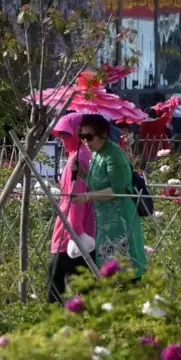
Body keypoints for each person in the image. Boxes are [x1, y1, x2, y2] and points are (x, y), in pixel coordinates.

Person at [72, 114, 147, 278]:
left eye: (89, 136)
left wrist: (86, 197)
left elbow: (117, 190)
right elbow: (97, 184)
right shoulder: (98, 154)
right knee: (109, 270)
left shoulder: (114, 155)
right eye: (82, 136)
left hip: (121, 220)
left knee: (125, 269)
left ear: (103, 134)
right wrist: (81, 174)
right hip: (105, 222)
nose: (85, 141)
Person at [48, 113, 96, 303]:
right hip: (83, 227)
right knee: (86, 279)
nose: (62, 139)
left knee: (56, 276)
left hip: (71, 230)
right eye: (61, 135)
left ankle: (52, 323)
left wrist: (75, 230)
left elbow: (75, 197)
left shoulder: (76, 159)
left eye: (67, 134)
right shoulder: (85, 155)